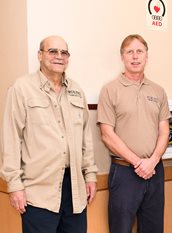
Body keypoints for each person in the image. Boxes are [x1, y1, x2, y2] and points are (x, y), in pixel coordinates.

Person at [0, 35, 98, 233]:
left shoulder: (76, 91)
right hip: (38, 192)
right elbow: (11, 139)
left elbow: (86, 138)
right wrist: (14, 185)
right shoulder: (22, 89)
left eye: (64, 52)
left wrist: (91, 175)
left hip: (75, 190)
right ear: (40, 55)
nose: (59, 57)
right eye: (52, 51)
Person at [97, 34, 171, 233]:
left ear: (147, 56)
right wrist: (138, 163)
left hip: (155, 171)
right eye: (130, 52)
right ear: (122, 57)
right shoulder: (110, 90)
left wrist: (152, 161)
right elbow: (107, 134)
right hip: (124, 173)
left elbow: (164, 132)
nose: (135, 56)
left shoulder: (158, 91)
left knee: (153, 229)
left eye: (140, 51)